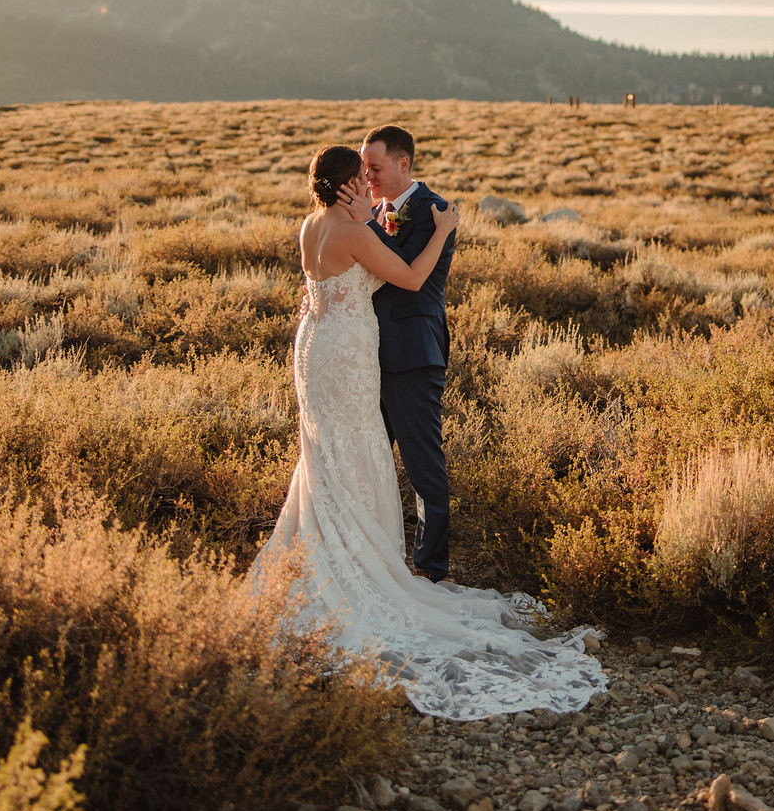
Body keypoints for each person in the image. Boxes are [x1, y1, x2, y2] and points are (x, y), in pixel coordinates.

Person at [250, 144, 606, 722]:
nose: (370, 185)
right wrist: (443, 228)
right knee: (360, 445)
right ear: (346, 188)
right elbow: (413, 277)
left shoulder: (308, 224)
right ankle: (363, 567)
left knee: (325, 452)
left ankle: (330, 551)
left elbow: (320, 285)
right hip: (347, 352)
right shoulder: (357, 229)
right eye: (361, 180)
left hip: (314, 348)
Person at [356, 124, 454, 582]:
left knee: (422, 465)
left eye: (374, 167)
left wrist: (363, 221)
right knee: (370, 458)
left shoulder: (434, 212)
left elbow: (402, 271)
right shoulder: (374, 212)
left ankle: (431, 570)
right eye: (364, 168)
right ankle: (374, 556)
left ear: (403, 163)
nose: (368, 175)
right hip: (370, 354)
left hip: (413, 355)